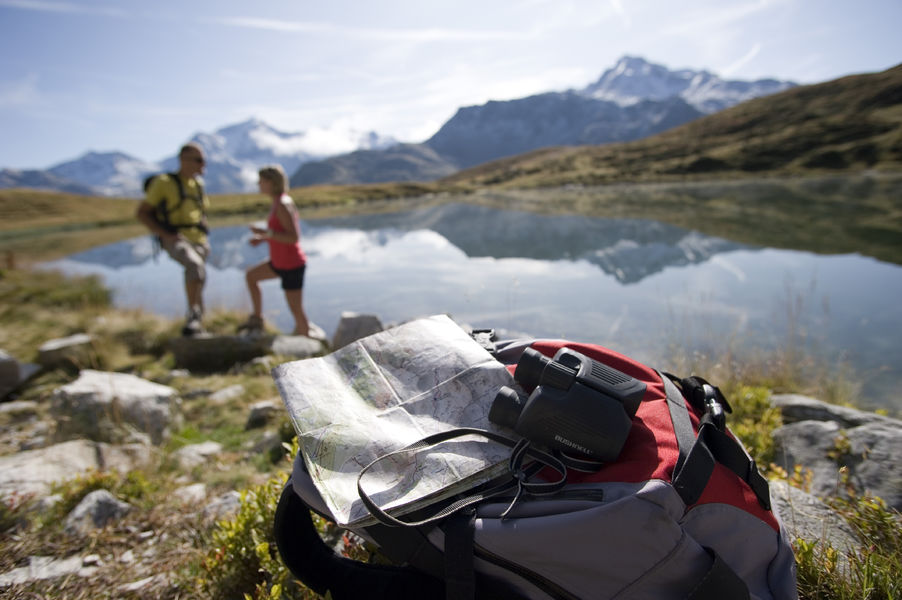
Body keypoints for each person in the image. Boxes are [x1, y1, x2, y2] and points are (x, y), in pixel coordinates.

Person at [136, 142, 210, 336]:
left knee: (199, 277)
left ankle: (199, 323)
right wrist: (165, 234)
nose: (204, 164)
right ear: (183, 160)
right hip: (175, 238)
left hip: (200, 241)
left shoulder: (198, 185)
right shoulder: (164, 182)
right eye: (199, 160)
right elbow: (143, 213)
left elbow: (201, 212)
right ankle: (193, 316)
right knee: (194, 267)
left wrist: (204, 233)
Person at [240, 164, 311, 336]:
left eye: (261, 181)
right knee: (251, 276)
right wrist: (263, 238)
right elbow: (280, 234)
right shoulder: (278, 202)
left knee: (296, 310)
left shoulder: (283, 204)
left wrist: (265, 233)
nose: (258, 184)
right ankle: (257, 318)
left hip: (292, 265)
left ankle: (309, 345)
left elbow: (293, 237)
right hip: (279, 262)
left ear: (271, 182)